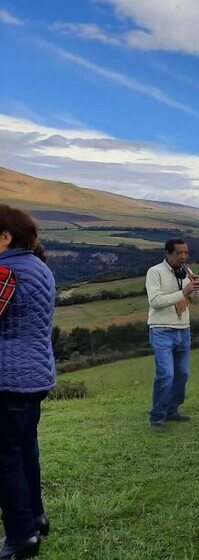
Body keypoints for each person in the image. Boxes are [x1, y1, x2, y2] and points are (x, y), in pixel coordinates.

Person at [0, 204, 55, 559]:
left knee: (4, 459)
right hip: (35, 375)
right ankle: (35, 518)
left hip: (7, 378)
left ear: (5, 237)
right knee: (24, 451)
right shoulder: (39, 266)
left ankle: (20, 536)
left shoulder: (4, 270)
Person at [145, 239, 199, 431]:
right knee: (166, 375)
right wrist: (183, 292)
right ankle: (157, 418)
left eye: (186, 253)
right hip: (161, 329)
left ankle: (172, 410)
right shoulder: (155, 272)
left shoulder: (188, 273)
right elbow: (155, 301)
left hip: (183, 329)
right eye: (179, 253)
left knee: (182, 374)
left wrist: (196, 289)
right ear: (168, 253)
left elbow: (196, 300)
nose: (184, 257)